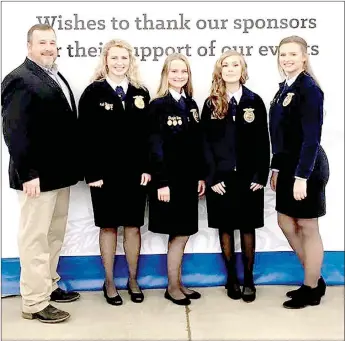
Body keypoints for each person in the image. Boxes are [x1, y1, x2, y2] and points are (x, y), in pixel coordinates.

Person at [1, 24, 80, 323]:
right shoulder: (19, 79)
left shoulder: (53, 75)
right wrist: (28, 173)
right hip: (36, 177)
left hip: (58, 175)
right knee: (35, 238)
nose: (48, 47)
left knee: (53, 234)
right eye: (42, 42)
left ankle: (48, 286)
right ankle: (34, 302)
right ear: (29, 46)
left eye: (52, 42)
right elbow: (15, 131)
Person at [78, 39, 151, 306]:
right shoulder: (93, 92)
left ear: (130, 61)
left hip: (135, 175)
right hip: (104, 176)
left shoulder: (141, 93)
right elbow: (84, 136)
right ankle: (109, 281)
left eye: (124, 58)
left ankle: (133, 279)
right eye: (115, 58)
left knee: (133, 227)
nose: (120, 63)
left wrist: (147, 169)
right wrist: (92, 172)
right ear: (105, 60)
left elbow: (148, 136)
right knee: (108, 227)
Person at [200, 50, 270, 302]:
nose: (230, 69)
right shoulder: (211, 103)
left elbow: (263, 141)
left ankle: (249, 279)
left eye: (235, 65)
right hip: (221, 180)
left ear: (243, 69)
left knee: (248, 227)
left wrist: (260, 175)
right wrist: (211, 178)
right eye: (225, 65)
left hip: (249, 178)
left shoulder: (255, 101)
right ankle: (231, 278)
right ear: (220, 71)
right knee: (226, 227)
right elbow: (205, 144)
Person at [269, 36, 330, 309]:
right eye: (283, 55)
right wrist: (276, 167)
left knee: (307, 226)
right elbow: (279, 136)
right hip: (287, 165)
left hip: (308, 166)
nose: (287, 59)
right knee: (285, 221)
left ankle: (310, 287)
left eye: (293, 54)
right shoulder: (283, 88)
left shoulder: (309, 89)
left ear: (304, 57)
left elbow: (311, 138)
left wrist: (301, 176)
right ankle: (314, 277)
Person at [148, 53, 206, 306]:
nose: (179, 76)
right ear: (165, 75)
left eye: (184, 72)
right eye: (174, 72)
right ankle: (172, 286)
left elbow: (197, 145)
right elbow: (154, 147)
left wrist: (201, 176)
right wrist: (161, 182)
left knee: (183, 233)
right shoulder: (157, 105)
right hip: (168, 183)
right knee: (178, 233)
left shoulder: (191, 104)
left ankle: (178, 282)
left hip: (188, 181)